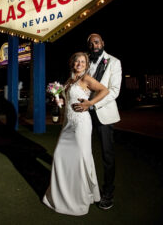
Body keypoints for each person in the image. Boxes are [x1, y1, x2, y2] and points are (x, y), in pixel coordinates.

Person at [43, 52, 109, 216]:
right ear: (72, 63)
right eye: (76, 61)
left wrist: (90, 103)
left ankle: (81, 197)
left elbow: (104, 90)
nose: (79, 63)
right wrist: (58, 99)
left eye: (82, 61)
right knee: (60, 156)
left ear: (86, 65)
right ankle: (62, 194)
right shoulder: (69, 80)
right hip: (68, 124)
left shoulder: (86, 78)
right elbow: (64, 103)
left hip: (81, 123)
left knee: (80, 158)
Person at [73, 33, 122, 210]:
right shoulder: (85, 62)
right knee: (84, 152)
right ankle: (85, 188)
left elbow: (114, 91)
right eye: (90, 42)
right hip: (84, 115)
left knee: (107, 155)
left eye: (97, 41)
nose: (94, 44)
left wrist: (92, 104)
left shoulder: (114, 62)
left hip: (103, 113)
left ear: (102, 43)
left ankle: (108, 192)